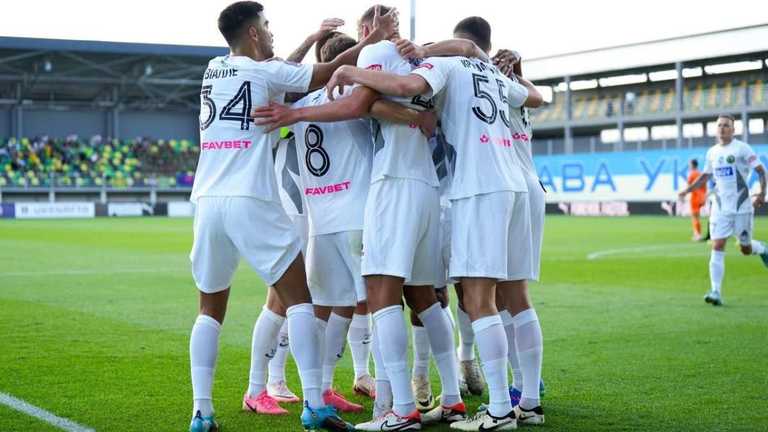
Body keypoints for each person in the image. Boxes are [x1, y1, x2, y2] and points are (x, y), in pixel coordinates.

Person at [320, 15, 544, 430]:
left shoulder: (436, 65)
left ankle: (412, 408)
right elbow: (536, 98)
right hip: (503, 183)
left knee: (446, 295)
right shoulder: (488, 69)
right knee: (457, 297)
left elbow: (400, 90)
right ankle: (516, 400)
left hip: (443, 185)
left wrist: (348, 69)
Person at [187, 2, 396, 431]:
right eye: (265, 26)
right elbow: (319, 74)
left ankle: (201, 411)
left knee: (209, 309)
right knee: (299, 299)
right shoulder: (264, 74)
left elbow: (279, 68)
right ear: (253, 34)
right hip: (252, 199)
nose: (270, 32)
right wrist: (372, 41)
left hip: (207, 201)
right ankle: (315, 403)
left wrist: (311, 39)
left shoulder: (213, 70)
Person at [678, 114, 767, 306]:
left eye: (726, 126)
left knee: (745, 248)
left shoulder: (742, 148)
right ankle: (715, 291)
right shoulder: (712, 152)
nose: (722, 128)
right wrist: (687, 190)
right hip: (719, 208)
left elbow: (761, 170)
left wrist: (761, 194)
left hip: (742, 207)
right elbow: (705, 176)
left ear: (733, 130)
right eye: (719, 125)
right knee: (717, 245)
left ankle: (762, 248)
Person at [687, 159, 708, 241]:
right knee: (697, 216)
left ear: (692, 165)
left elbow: (689, 186)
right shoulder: (700, 174)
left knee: (695, 217)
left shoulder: (692, 174)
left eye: (689, 164)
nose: (689, 166)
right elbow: (705, 186)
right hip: (701, 197)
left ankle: (698, 234)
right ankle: (697, 233)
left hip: (695, 197)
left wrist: (684, 193)